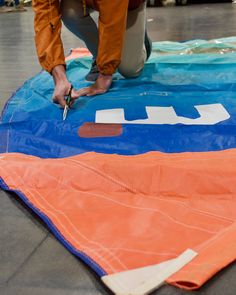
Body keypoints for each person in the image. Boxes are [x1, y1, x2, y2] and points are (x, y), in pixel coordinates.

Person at [33, 0, 152, 107]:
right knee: (70, 13)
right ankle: (100, 55)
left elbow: (112, 15)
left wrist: (106, 72)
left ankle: (141, 41)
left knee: (130, 69)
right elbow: (45, 16)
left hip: (126, 4)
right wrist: (59, 78)